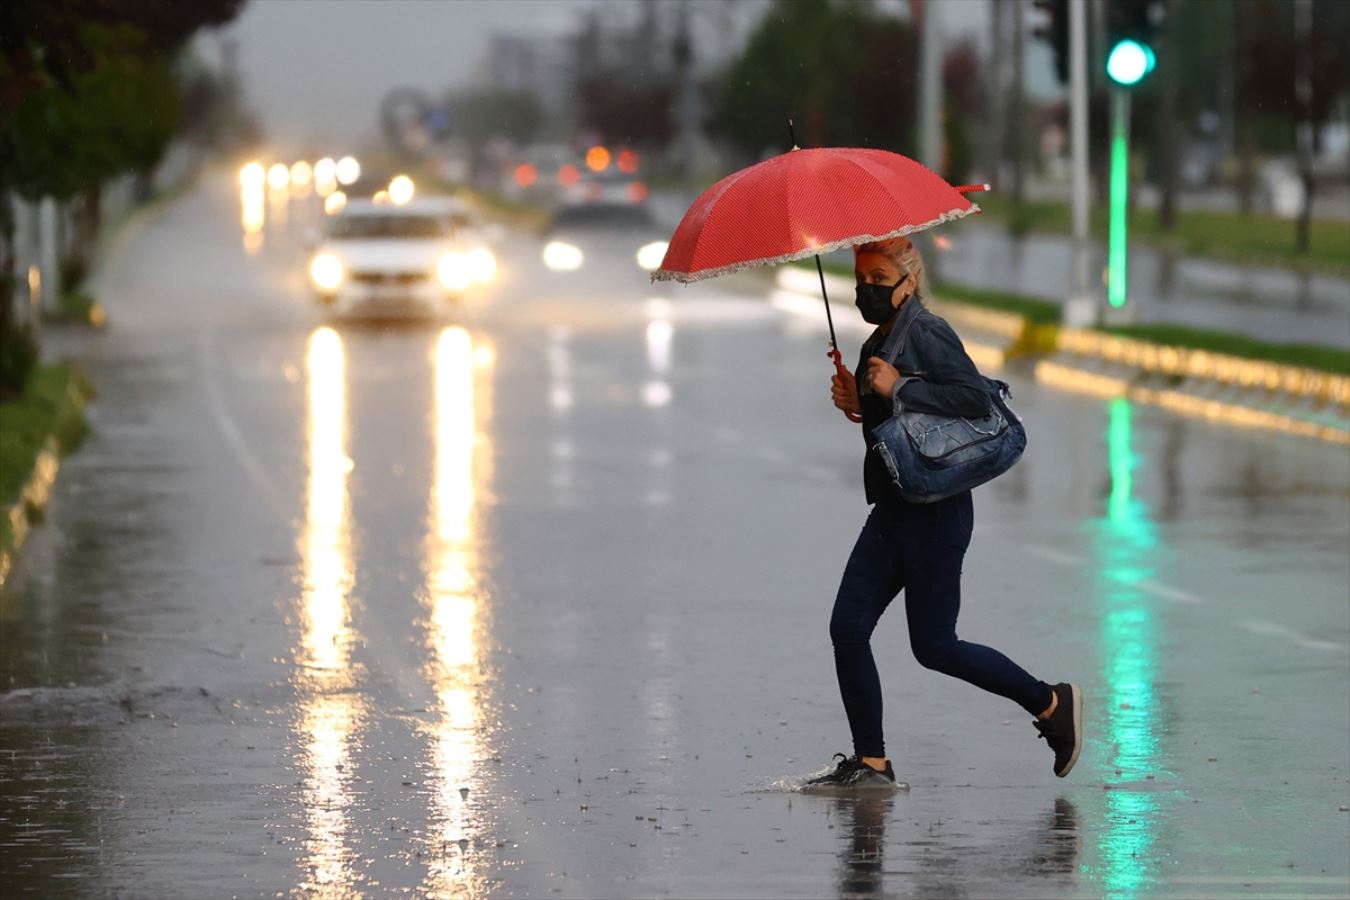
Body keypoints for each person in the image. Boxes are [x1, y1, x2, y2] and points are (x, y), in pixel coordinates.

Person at [806, 236, 1082, 790]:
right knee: (848, 627)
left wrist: (900, 386)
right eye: (861, 279)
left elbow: (973, 399)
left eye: (879, 280)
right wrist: (859, 403)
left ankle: (1052, 703)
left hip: (936, 513)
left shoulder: (927, 331)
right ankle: (872, 763)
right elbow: (890, 426)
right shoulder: (874, 343)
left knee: (935, 646)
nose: (867, 289)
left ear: (908, 283)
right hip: (892, 510)